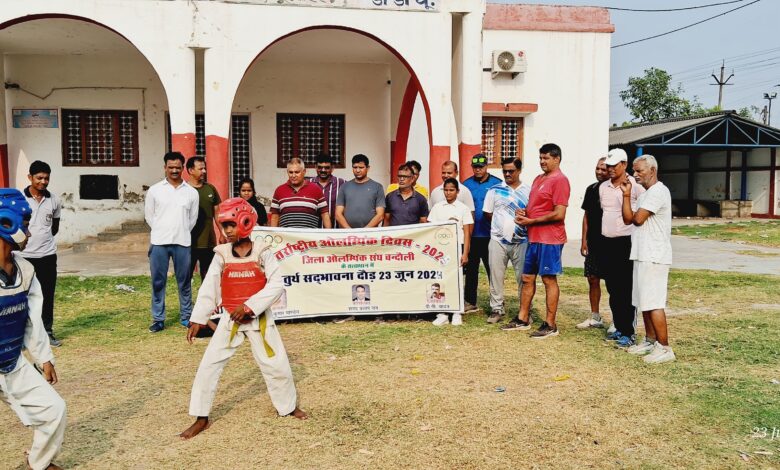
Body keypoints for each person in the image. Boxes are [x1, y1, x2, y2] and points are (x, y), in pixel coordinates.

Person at [179, 198, 307, 440]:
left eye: (231, 225)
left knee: (276, 363)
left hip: (259, 319)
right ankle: (201, 417)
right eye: (224, 226)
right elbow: (210, 286)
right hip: (230, 319)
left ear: (246, 222)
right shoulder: (222, 254)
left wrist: (249, 306)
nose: (227, 231)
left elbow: (276, 284)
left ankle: (288, 407)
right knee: (209, 365)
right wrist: (198, 318)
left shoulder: (263, 252)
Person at [0, 188, 67, 470]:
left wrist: (44, 358)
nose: (29, 232)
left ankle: (38, 463)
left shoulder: (25, 270)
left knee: (54, 409)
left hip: (11, 361)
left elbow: (32, 320)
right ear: (7, 223)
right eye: (26, 224)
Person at [620, 155, 676, 364]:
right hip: (642, 253)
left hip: (654, 255)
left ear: (652, 170)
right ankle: (650, 340)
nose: (635, 175)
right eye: (634, 171)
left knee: (654, 302)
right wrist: (626, 195)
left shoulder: (659, 191)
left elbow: (637, 219)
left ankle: (665, 347)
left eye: (639, 171)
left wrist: (631, 202)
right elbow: (628, 218)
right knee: (643, 301)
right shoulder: (645, 194)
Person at [511, 143, 570, 338]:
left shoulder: (560, 180)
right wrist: (525, 213)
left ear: (557, 159)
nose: (542, 161)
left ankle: (550, 324)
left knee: (548, 279)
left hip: (550, 239)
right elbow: (536, 207)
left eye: (546, 158)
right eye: (540, 158)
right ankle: (522, 319)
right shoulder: (538, 179)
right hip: (534, 237)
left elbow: (559, 213)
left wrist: (532, 221)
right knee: (527, 278)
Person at [145, 152, 200, 333]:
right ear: (165, 168)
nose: (174, 170)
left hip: (182, 242)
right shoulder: (154, 190)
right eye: (171, 167)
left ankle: (186, 317)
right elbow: (149, 216)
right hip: (159, 242)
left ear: (183, 168)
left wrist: (180, 230)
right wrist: (162, 230)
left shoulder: (191, 193)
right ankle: (158, 319)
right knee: (158, 282)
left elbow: (192, 219)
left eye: (178, 167)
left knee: (184, 282)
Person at [600, 148, 645, 348]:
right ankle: (618, 326)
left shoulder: (635, 186)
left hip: (626, 242)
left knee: (626, 289)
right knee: (612, 288)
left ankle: (629, 331)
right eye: (608, 165)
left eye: (614, 165)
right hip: (607, 242)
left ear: (624, 165)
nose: (610, 169)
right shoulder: (604, 187)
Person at [482, 158, 531, 325]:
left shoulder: (529, 190)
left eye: (511, 171)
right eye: (505, 171)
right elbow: (488, 213)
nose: (508, 174)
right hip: (498, 241)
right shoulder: (494, 190)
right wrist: (502, 226)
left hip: (522, 240)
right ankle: (496, 309)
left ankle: (524, 311)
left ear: (519, 170)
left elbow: (533, 214)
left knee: (523, 278)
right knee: (496, 276)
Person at [21, 161, 63, 347]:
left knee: (47, 295)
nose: (43, 182)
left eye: (46, 178)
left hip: (47, 256)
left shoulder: (54, 200)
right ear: (30, 177)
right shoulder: (20, 200)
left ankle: (47, 332)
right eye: (39, 178)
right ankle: (23, 335)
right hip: (24, 256)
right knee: (23, 296)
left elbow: (54, 228)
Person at [428, 177, 474, 326]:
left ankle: (457, 312)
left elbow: (467, 232)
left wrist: (465, 253)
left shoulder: (463, 208)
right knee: (441, 279)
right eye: (446, 190)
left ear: (457, 191)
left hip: (457, 248)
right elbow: (430, 228)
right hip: (440, 249)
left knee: (457, 280)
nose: (448, 193)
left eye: (451, 190)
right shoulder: (437, 207)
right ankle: (442, 313)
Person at [462, 154, 502, 314]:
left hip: (490, 235)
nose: (478, 170)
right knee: (471, 270)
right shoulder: (466, 185)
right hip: (472, 235)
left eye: (481, 167)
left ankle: (497, 303)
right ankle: (470, 301)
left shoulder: (497, 184)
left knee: (493, 270)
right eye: (475, 167)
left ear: (486, 166)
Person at [576, 157, 610, 330]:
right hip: (594, 242)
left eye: (604, 169)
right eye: (597, 168)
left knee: (613, 281)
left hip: (610, 243)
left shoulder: (616, 190)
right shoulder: (591, 189)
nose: (599, 172)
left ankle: (618, 320)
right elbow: (587, 216)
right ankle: (595, 316)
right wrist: (584, 240)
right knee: (592, 278)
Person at [186, 156, 222, 281]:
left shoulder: (210, 189)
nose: (204, 171)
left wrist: (222, 233)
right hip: (188, 241)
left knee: (207, 276)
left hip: (208, 241)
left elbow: (217, 214)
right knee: (186, 275)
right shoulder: (183, 190)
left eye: (204, 168)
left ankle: (205, 295)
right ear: (191, 170)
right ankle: (186, 295)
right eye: (201, 169)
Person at [270, 158, 331, 229]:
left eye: (297, 172)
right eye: (291, 172)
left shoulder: (316, 189)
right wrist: (272, 234)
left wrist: (329, 234)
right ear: (287, 172)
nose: (293, 175)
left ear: (304, 171)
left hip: (309, 235)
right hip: (286, 235)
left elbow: (325, 215)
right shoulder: (279, 190)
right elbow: (275, 217)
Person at [335, 154, 385, 229]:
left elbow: (380, 215)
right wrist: (349, 230)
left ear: (368, 168)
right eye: (355, 167)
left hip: (370, 233)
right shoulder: (344, 187)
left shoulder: (377, 187)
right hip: (348, 233)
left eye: (361, 167)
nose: (357, 170)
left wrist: (364, 231)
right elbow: (338, 214)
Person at [307, 153, 345, 228]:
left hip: (335, 230)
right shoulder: (308, 184)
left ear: (332, 168)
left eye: (327, 168)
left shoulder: (342, 183)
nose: (323, 170)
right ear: (315, 167)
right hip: (313, 231)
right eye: (320, 167)